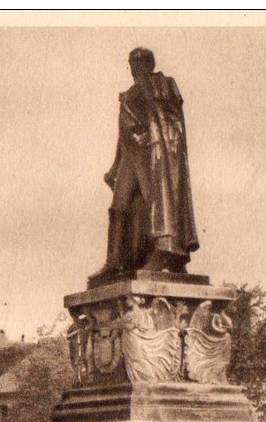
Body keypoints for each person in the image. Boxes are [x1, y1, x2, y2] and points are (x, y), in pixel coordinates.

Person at [95, 47, 199, 280]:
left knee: (159, 204)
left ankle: (166, 252)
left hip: (154, 154)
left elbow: (170, 124)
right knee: (118, 205)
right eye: (131, 62)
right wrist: (115, 165)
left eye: (137, 62)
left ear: (148, 64)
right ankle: (114, 261)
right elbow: (123, 133)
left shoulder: (162, 85)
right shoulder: (131, 93)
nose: (133, 67)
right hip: (132, 154)